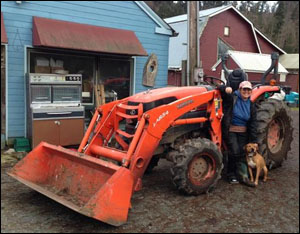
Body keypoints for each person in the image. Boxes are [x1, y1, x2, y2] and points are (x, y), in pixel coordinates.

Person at [218, 81, 257, 187]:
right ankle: (231, 174)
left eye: (248, 90)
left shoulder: (251, 105)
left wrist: (254, 140)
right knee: (234, 151)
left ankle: (242, 175)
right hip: (231, 130)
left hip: (243, 132)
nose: (246, 91)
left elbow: (253, 123)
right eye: (244, 89)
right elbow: (218, 88)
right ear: (240, 90)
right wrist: (225, 88)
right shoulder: (232, 99)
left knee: (242, 152)